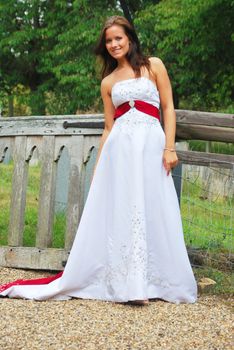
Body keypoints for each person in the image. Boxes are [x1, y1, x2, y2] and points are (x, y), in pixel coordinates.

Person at [0, 15, 197, 305]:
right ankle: (128, 286)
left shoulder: (153, 66)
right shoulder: (108, 82)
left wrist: (169, 148)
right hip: (120, 152)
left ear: (130, 38)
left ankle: (158, 280)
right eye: (108, 40)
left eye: (118, 38)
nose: (114, 44)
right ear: (104, 46)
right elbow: (108, 128)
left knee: (154, 206)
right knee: (124, 209)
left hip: (151, 148)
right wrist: (100, 166)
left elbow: (168, 108)